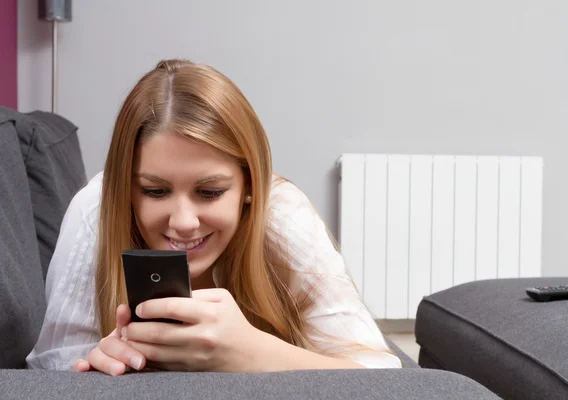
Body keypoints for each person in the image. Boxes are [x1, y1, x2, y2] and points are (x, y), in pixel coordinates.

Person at [26, 59, 402, 375]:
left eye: (209, 192)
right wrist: (98, 367)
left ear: (249, 187)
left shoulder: (283, 214)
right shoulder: (95, 211)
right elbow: (51, 366)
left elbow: (382, 376)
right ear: (126, 189)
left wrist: (251, 354)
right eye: (155, 191)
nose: (185, 221)